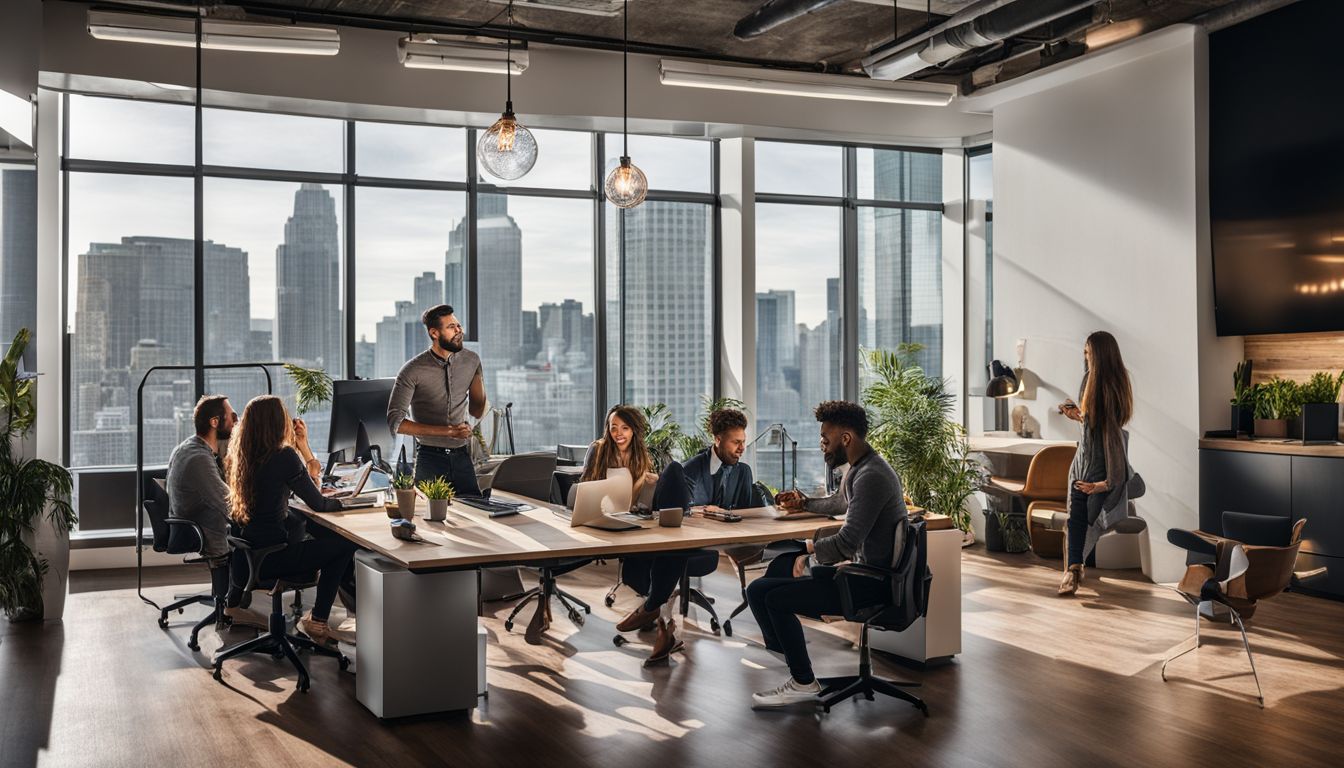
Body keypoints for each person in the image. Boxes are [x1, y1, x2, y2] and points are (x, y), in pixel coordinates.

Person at [747, 400, 907, 710]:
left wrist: (806, 556)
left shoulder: (871, 476)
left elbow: (847, 542)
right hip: (862, 575)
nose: (822, 445)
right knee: (757, 589)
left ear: (845, 439)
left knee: (775, 598)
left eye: (825, 439)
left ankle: (803, 680)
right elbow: (840, 503)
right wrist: (804, 503)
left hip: (869, 584)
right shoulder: (862, 468)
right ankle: (798, 669)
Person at [224, 395, 357, 644]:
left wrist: (304, 451)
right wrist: (350, 503)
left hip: (249, 557)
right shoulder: (283, 456)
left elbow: (290, 492)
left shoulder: (241, 457)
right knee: (344, 546)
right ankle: (317, 621)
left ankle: (343, 613)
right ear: (279, 423)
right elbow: (319, 503)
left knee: (318, 532)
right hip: (274, 557)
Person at [581, 405, 693, 665]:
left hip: (639, 519)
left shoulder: (641, 454)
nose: (619, 433)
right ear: (607, 430)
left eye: (625, 428)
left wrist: (649, 482)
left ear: (634, 430)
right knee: (660, 560)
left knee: (673, 472)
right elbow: (584, 487)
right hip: (607, 520)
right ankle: (659, 615)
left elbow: (643, 497)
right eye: (614, 428)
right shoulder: (597, 450)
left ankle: (654, 614)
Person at [1055, 330, 1134, 597]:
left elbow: (1105, 431)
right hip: (1091, 462)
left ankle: (1072, 571)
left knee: (1078, 519)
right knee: (1080, 519)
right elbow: (1097, 423)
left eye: (1088, 353)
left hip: (1091, 465)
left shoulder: (1093, 381)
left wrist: (1105, 483)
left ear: (1098, 355)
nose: (1085, 357)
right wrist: (1077, 415)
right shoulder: (1121, 381)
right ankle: (1074, 569)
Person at [386, 304, 488, 497]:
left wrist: (479, 389)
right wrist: (448, 432)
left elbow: (477, 409)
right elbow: (395, 422)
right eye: (451, 327)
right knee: (429, 522)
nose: (459, 331)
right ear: (434, 333)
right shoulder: (412, 370)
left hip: (463, 458)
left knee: (475, 514)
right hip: (429, 458)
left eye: (458, 326)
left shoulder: (472, 360)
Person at [166, 395, 238, 623]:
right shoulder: (199, 459)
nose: (235, 422)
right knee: (254, 531)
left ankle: (232, 600)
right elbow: (227, 503)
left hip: (189, 521)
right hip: (202, 530)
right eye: (232, 417)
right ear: (215, 422)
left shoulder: (189, 446)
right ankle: (229, 606)